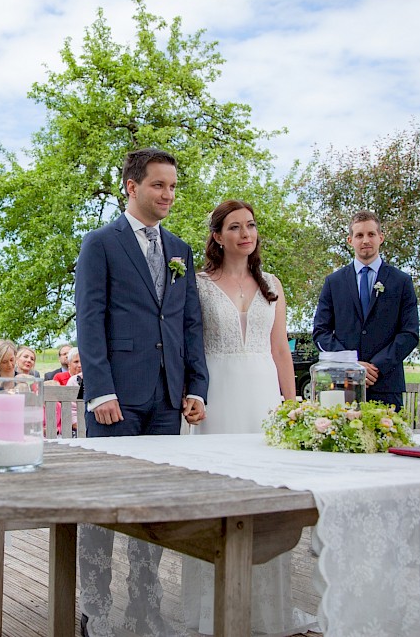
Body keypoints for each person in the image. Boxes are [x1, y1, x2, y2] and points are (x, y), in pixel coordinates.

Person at [75, 147, 209, 637]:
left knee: (151, 508)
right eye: (159, 185)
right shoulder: (100, 243)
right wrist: (100, 392)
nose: (169, 194)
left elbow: (188, 324)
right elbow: (89, 321)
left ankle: (145, 610)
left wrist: (197, 387)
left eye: (173, 186)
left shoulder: (179, 248)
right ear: (131, 186)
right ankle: (96, 611)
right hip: (115, 399)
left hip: (167, 398)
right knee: (104, 506)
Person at [183, 200, 309, 635]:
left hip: (262, 397)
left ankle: (267, 611)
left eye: (251, 226)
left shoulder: (272, 284)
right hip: (216, 394)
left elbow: (280, 351)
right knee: (214, 496)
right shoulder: (197, 285)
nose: (245, 233)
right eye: (234, 227)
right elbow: (189, 347)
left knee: (264, 497)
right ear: (217, 236)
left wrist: (292, 405)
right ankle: (208, 611)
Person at [312, 210, 419, 409]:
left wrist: (376, 366)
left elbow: (409, 333)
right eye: (359, 235)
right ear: (350, 240)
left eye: (371, 234)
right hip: (342, 385)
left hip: (386, 385)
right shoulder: (334, 282)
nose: (365, 240)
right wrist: (351, 364)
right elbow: (321, 332)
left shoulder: (401, 281)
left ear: (381, 237)